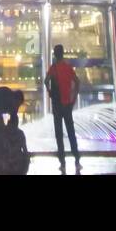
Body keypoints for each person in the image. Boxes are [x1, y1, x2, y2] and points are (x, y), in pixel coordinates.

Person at [45, 44, 81, 172]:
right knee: (71, 132)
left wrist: (50, 92)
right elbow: (77, 82)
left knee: (59, 134)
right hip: (67, 105)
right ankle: (76, 159)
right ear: (63, 54)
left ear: (55, 54)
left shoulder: (53, 68)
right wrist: (73, 98)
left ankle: (63, 162)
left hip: (57, 106)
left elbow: (45, 81)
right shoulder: (68, 67)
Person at [0, 86, 28, 175]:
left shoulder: (11, 101)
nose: (17, 107)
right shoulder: (7, 97)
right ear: (16, 98)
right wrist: (1, 125)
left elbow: (13, 116)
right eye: (18, 104)